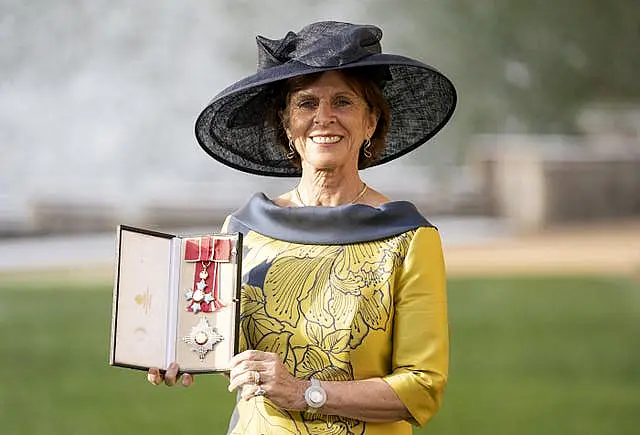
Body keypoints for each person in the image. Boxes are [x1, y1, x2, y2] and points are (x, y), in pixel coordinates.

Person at [147, 21, 456, 434]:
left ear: (371, 122)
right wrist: (178, 353)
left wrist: (305, 391)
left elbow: (422, 388)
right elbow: (223, 352)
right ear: (287, 125)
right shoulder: (242, 229)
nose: (324, 118)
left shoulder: (408, 237)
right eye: (307, 103)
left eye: (343, 102)